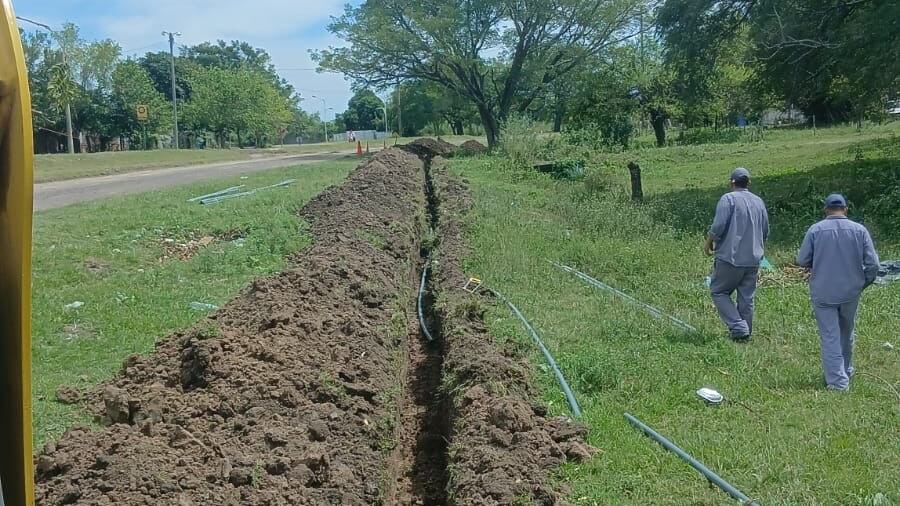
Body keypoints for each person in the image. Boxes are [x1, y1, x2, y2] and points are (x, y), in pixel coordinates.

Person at [796, 193, 880, 392]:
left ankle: (838, 382)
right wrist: (863, 283)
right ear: (846, 209)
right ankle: (846, 369)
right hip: (851, 291)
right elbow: (873, 264)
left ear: (826, 210)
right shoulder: (859, 230)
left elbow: (802, 260)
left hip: (824, 291)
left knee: (830, 335)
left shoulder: (816, 230)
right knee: (847, 331)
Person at [704, 167, 769, 341]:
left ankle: (738, 326)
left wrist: (709, 241)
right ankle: (745, 333)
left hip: (730, 257)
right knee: (746, 297)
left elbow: (719, 225)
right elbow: (765, 230)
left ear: (732, 182)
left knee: (719, 291)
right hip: (754, 259)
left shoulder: (728, 199)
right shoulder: (758, 201)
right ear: (749, 182)